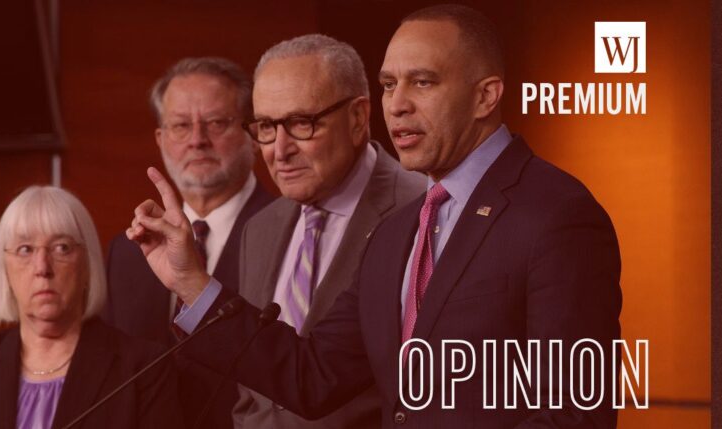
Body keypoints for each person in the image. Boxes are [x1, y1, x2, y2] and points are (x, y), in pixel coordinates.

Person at [128, 4, 622, 428]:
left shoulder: (557, 215)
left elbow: (574, 415)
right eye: (389, 84)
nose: (399, 105)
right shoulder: (398, 232)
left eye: (423, 82)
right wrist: (191, 283)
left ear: (485, 96)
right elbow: (311, 375)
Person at [234, 34, 422, 428]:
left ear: (357, 119)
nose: (278, 150)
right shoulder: (259, 228)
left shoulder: (422, 210)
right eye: (266, 126)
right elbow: (253, 392)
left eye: (302, 123)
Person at [101, 57, 274, 428]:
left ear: (254, 134)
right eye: (181, 126)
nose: (198, 140)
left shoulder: (288, 231)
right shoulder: (126, 253)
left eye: (216, 123)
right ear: (161, 140)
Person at [0, 186, 181, 429]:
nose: (42, 267)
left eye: (61, 247)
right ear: (4, 269)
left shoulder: (144, 369)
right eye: (25, 249)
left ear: (87, 264)